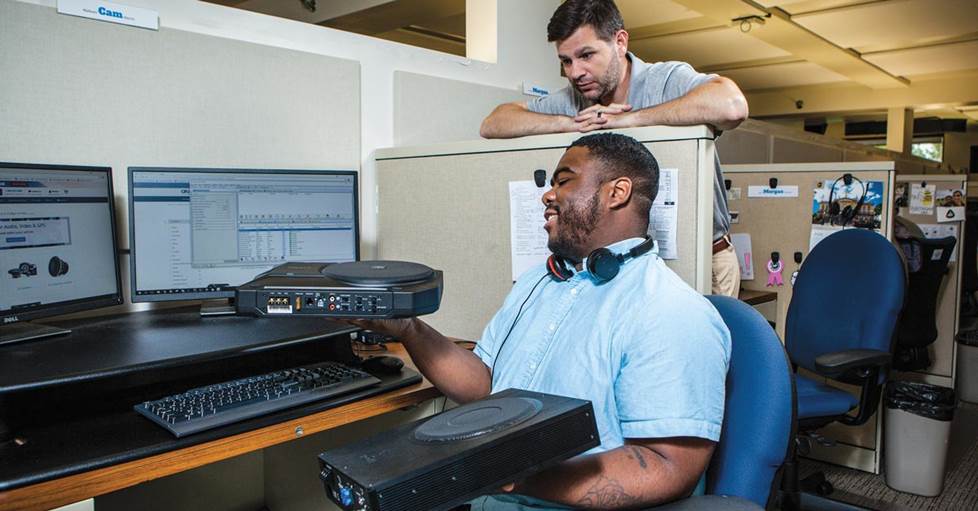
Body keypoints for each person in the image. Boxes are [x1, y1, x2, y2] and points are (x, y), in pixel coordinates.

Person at [351, 133, 731, 510]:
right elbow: (486, 387)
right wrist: (409, 329)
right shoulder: (541, 281)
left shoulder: (670, 310)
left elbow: (666, 467)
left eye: (564, 181)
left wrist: (511, 476)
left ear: (617, 193)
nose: (547, 195)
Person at [480, 0, 748, 298]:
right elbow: (493, 123)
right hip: (611, 267)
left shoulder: (664, 80)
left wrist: (629, 120)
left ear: (620, 42)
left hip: (699, 257)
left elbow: (732, 105)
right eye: (566, 61)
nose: (575, 72)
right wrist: (568, 123)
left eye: (586, 55)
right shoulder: (574, 100)